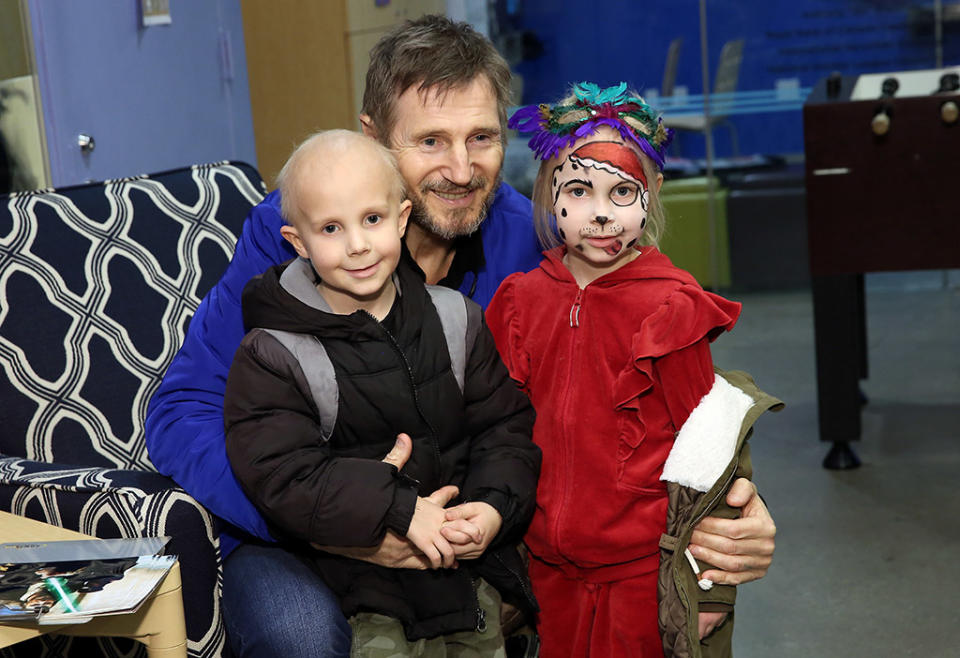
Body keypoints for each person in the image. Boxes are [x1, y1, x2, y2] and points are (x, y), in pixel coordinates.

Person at [145, 15, 775, 657]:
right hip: (296, 531)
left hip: (468, 523)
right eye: (430, 142)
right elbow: (180, 411)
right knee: (303, 635)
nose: (462, 168)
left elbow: (634, 388)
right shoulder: (297, 235)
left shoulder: (534, 243)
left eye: (482, 137)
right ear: (375, 139)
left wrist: (724, 515)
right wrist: (328, 525)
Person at [485, 82, 783, 657]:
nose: (600, 214)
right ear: (549, 195)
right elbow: (497, 430)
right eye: (579, 190)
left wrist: (711, 589)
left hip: (641, 578)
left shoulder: (670, 305)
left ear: (653, 194)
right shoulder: (521, 301)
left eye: (622, 192)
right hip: (547, 572)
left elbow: (710, 451)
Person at [222, 129, 540, 655]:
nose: (357, 245)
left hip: (462, 572)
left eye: (372, 219)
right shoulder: (273, 353)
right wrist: (396, 508)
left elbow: (504, 429)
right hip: (361, 585)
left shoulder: (455, 318)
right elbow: (280, 474)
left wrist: (491, 508)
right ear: (297, 242)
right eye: (330, 228)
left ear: (402, 217)